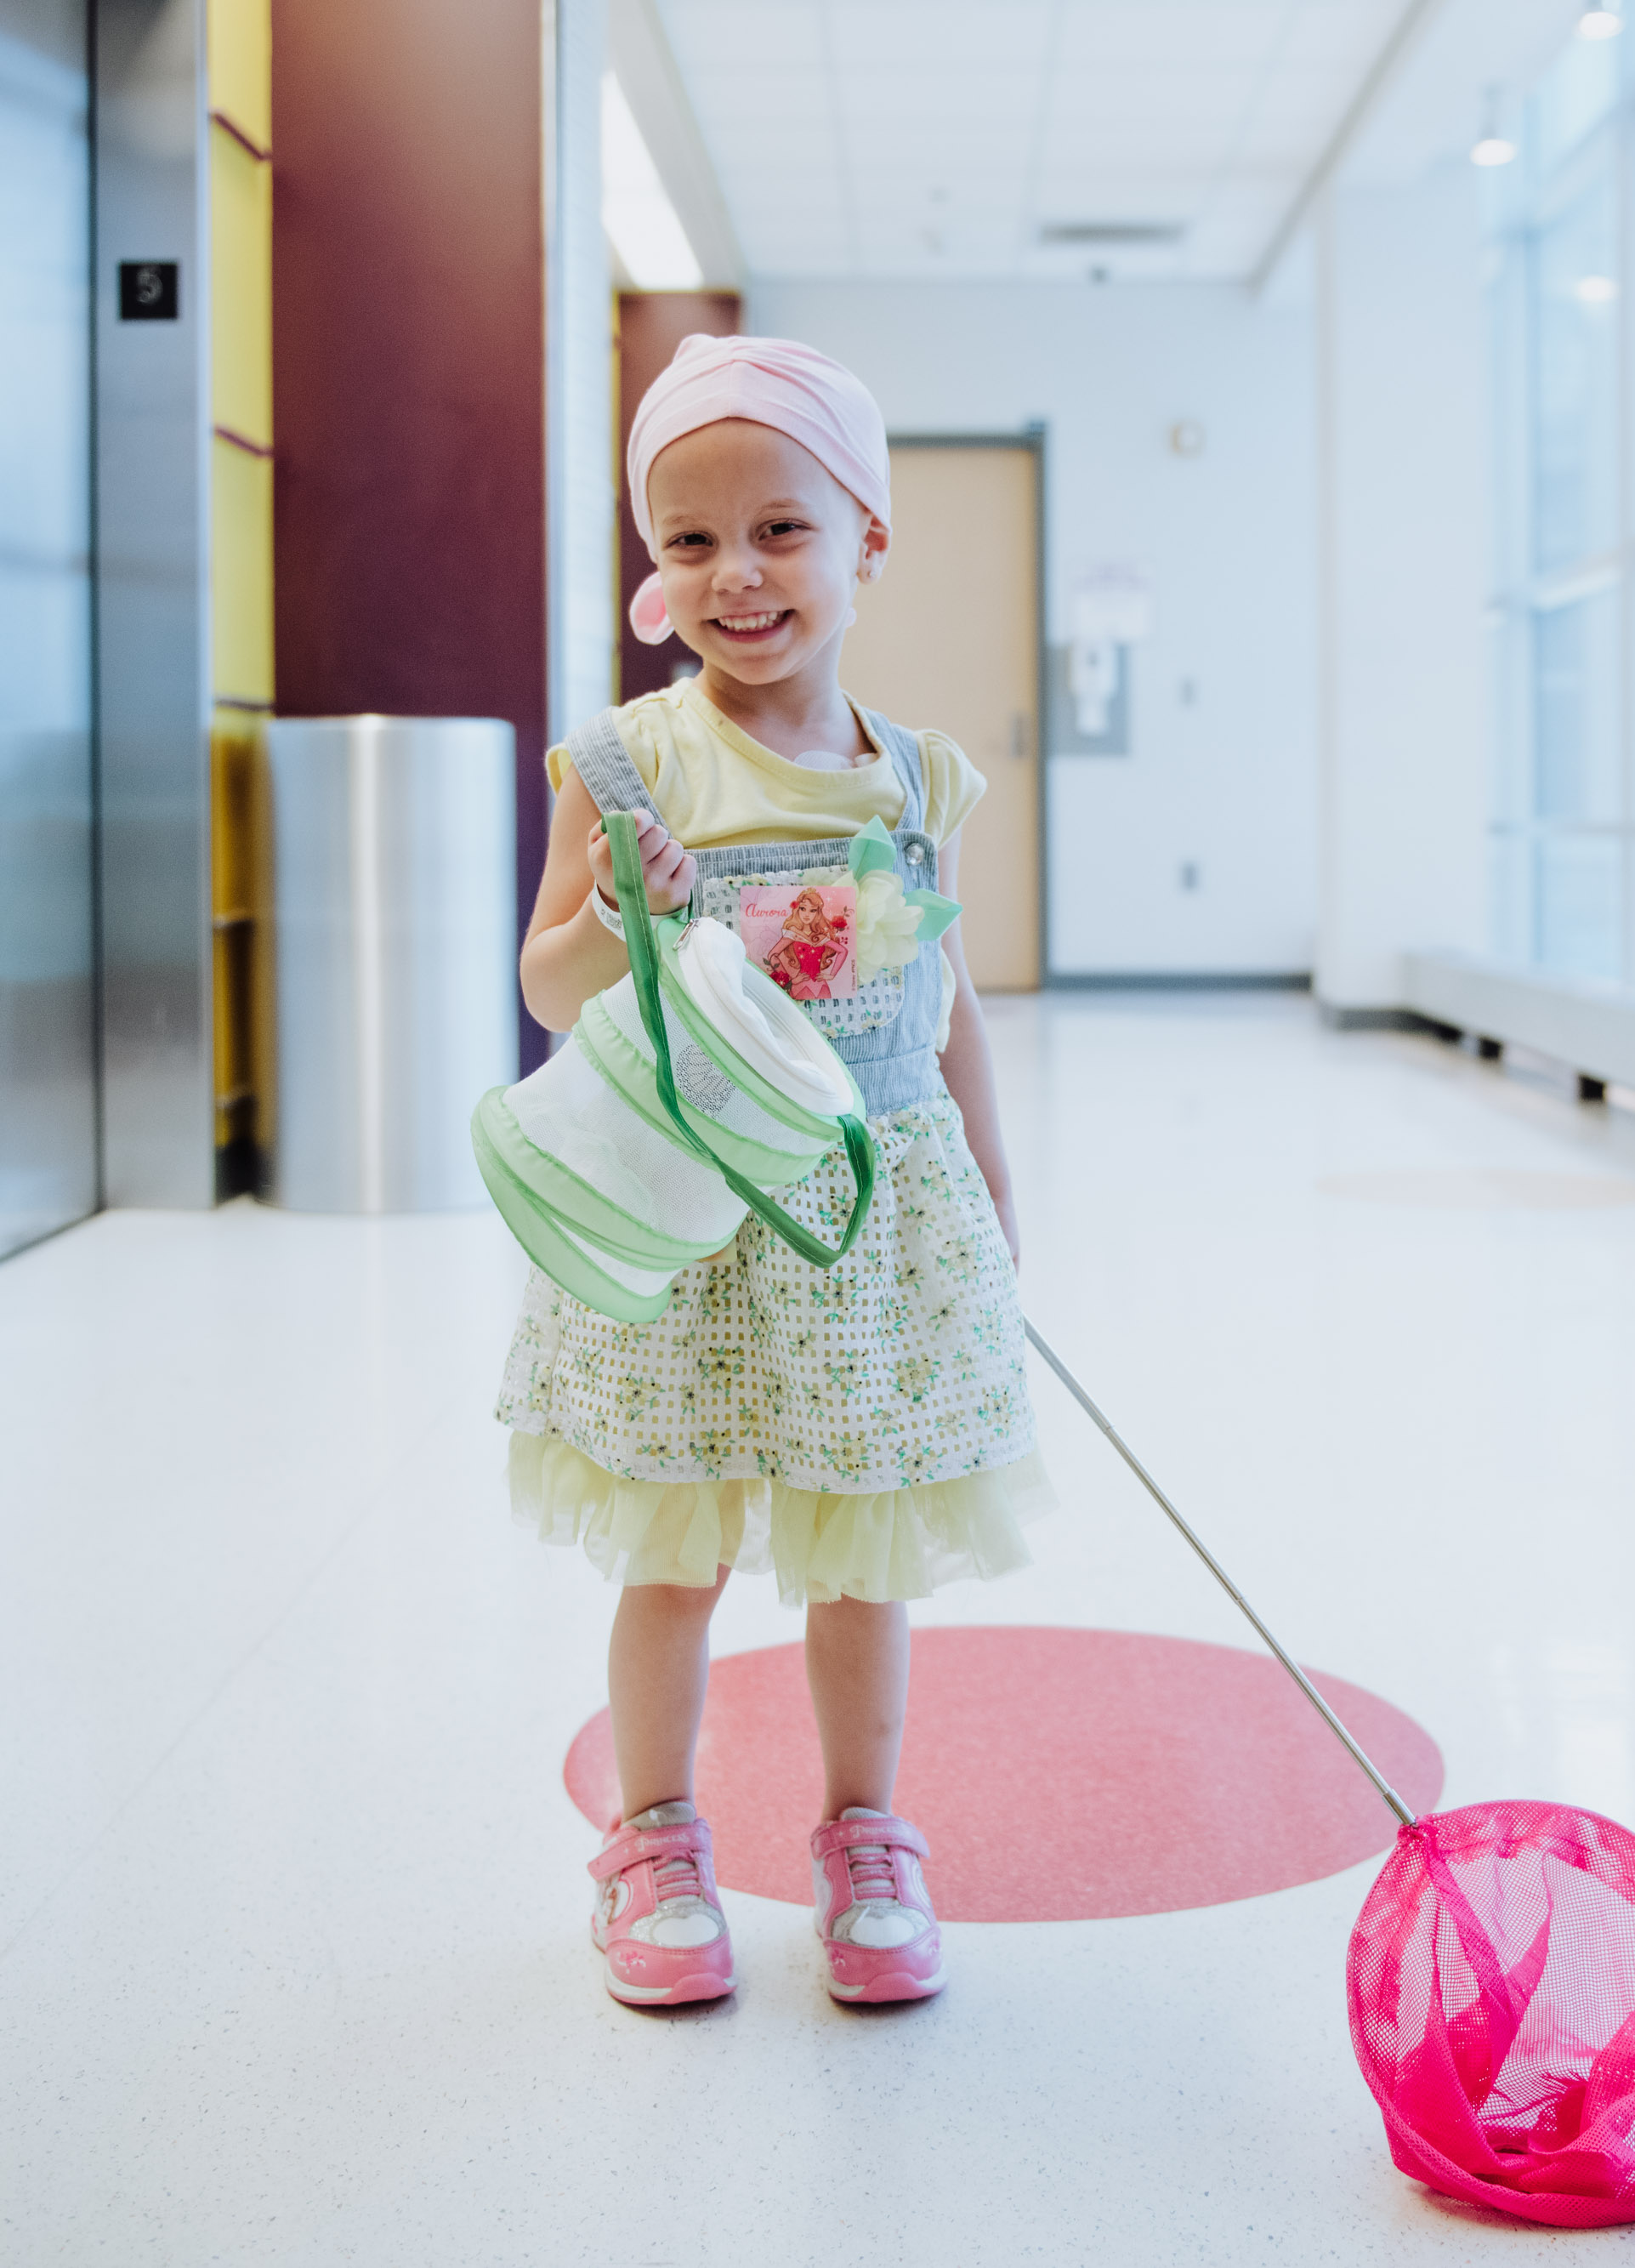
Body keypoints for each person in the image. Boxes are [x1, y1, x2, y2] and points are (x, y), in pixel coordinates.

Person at [499, 333, 1050, 2009]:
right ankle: (655, 1833)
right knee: (675, 1548)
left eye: (781, 529)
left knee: (858, 1546)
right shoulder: (629, 762)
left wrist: (996, 1204)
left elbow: (939, 999)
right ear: (653, 570)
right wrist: (618, 918)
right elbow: (546, 985)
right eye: (688, 540)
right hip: (684, 1222)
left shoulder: (914, 778)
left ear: (867, 537)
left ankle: (864, 1830)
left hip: (863, 1222)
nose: (735, 574)